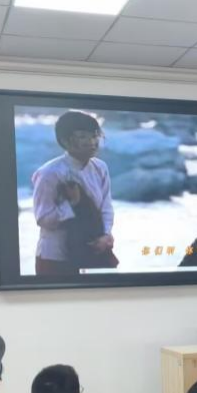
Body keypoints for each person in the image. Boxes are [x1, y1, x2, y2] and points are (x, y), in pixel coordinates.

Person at [32, 111, 115, 276]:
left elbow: (106, 207)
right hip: (56, 257)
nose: (92, 142)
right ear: (65, 141)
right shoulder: (50, 173)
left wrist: (106, 235)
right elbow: (43, 218)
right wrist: (72, 205)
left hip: (91, 252)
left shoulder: (100, 168)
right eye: (83, 136)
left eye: (95, 136)